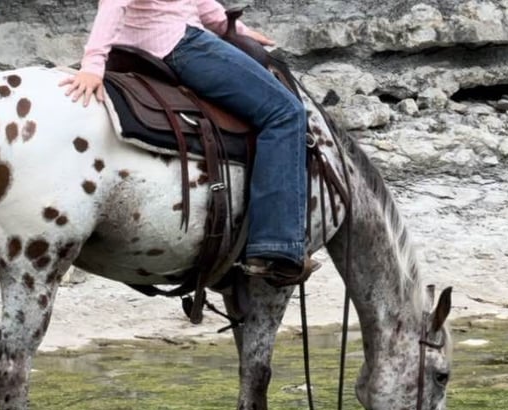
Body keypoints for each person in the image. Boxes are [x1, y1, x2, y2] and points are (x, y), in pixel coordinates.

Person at [60, 0, 317, 286]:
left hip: (139, 42)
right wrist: (93, 64)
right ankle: (277, 244)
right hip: (177, 42)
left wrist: (231, 27)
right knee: (286, 113)